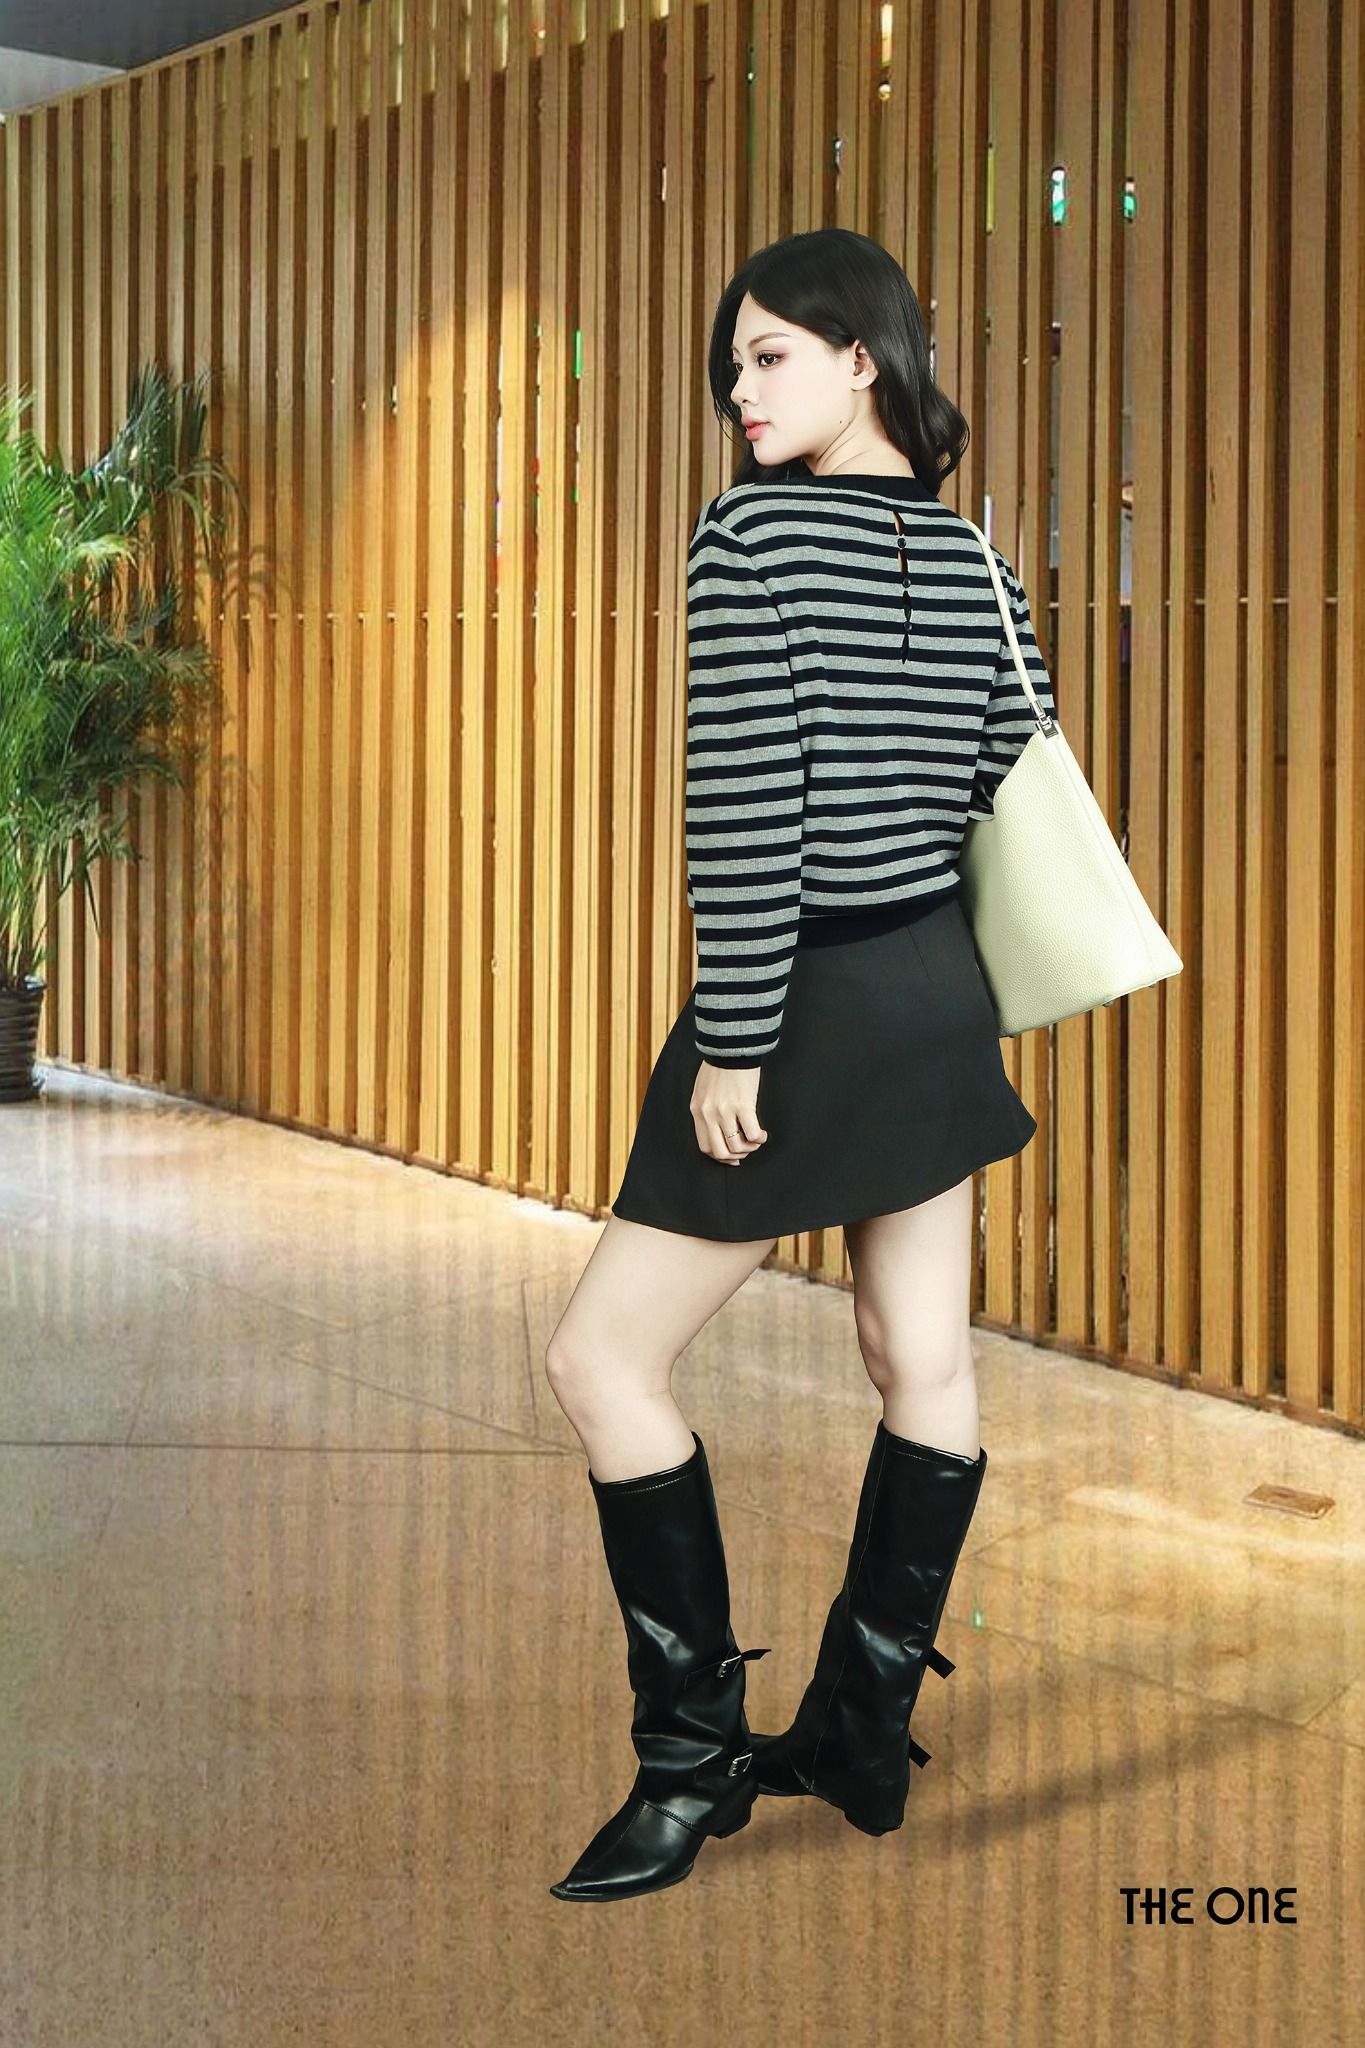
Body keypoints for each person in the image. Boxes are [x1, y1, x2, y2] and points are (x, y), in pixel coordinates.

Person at [545, 228, 1056, 1903]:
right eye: (732, 364)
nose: (739, 391)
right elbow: (1009, 774)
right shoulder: (980, 564)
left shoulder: (748, 537)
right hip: (934, 994)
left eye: (769, 355)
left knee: (601, 1361)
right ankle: (858, 1730)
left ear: (863, 356)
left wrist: (735, 1041)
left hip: (809, 1003)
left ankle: (691, 1764)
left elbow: (747, 814)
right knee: (921, 1357)